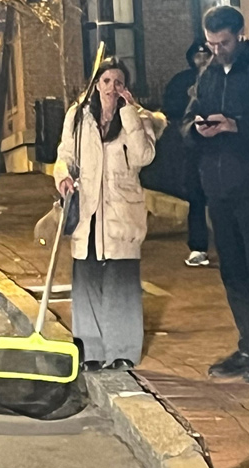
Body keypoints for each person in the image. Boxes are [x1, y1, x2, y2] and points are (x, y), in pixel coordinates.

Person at [182, 5, 249, 383]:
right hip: (219, 189)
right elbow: (185, 123)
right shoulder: (207, 75)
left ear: (240, 34)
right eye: (210, 44)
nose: (216, 50)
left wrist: (235, 126)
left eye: (222, 43)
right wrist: (197, 129)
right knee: (232, 270)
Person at [53, 57, 166, 372]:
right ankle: (90, 350)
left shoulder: (139, 118)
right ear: (96, 84)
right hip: (87, 209)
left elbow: (144, 156)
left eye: (118, 82)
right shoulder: (78, 117)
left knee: (121, 283)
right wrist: (62, 176)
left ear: (125, 88)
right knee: (86, 281)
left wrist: (129, 113)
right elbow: (65, 155)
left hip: (121, 212)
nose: (111, 88)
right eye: (106, 81)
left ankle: (123, 351)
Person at [162, 40, 213, 267]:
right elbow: (172, 112)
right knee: (196, 199)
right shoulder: (182, 81)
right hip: (192, 149)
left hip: (218, 149)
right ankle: (198, 246)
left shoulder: (221, 79)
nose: (202, 60)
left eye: (206, 56)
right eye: (198, 57)